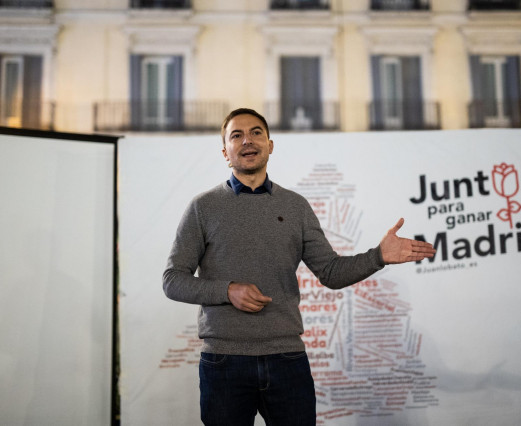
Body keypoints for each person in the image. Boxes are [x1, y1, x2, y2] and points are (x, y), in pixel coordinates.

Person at [163, 107, 436, 426]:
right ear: (226, 152)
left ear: (270, 145)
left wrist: (378, 256)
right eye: (236, 135)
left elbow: (331, 273)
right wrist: (227, 291)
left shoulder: (295, 207)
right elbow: (172, 280)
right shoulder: (202, 207)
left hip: (287, 359)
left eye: (256, 133)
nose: (247, 141)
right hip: (224, 361)